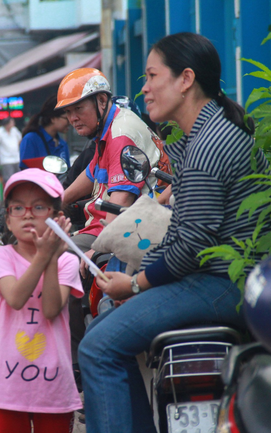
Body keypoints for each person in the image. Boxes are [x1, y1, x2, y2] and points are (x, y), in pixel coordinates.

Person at [79, 33, 271, 433]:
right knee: (100, 331)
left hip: (224, 284)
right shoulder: (206, 134)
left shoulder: (207, 146)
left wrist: (134, 285)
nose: (145, 88)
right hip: (220, 279)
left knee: (97, 349)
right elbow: (184, 236)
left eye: (152, 76)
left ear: (186, 80)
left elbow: (190, 246)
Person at [55, 68, 164, 379]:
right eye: (69, 112)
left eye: (79, 109)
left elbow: (121, 202)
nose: (73, 118)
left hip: (130, 230)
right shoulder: (108, 129)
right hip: (105, 225)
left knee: (60, 263)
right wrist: (54, 202)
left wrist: (95, 251)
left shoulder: (120, 135)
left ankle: (80, 368)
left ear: (102, 101)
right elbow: (90, 174)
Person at [0, 168, 84, 433]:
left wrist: (50, 257)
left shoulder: (67, 261)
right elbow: (15, 298)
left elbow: (51, 309)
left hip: (55, 385)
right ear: (8, 219)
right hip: (9, 386)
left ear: (57, 217)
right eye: (18, 208)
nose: (27, 214)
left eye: (39, 207)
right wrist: (44, 255)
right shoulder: (1, 257)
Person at [19, 95, 71, 169]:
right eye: (66, 118)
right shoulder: (30, 140)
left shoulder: (63, 144)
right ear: (53, 118)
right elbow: (26, 172)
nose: (71, 122)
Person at [0, 117, 22, 183]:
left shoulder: (14, 130)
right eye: (12, 122)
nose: (13, 124)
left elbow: (20, 139)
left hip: (17, 158)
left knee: (19, 178)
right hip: (6, 160)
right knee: (9, 180)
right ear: (7, 124)